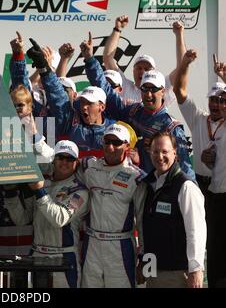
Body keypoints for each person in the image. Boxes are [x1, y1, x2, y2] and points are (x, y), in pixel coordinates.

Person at [82, 32, 195, 180]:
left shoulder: (171, 127)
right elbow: (106, 90)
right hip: (134, 182)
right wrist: (90, 60)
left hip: (160, 185)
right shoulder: (134, 111)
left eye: (153, 89)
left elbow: (185, 167)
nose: (148, 94)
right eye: (145, 89)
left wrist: (191, 191)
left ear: (163, 91)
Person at [5, 140, 89, 288]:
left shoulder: (80, 191)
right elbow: (22, 219)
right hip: (36, 254)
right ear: (54, 160)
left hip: (63, 257)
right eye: (60, 157)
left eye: (69, 159)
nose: (64, 162)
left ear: (76, 162)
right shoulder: (44, 183)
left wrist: (39, 191)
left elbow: (59, 219)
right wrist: (11, 192)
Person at [77, 124, 146, 288]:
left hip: (120, 247)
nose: (110, 147)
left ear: (127, 146)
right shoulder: (89, 167)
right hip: (91, 243)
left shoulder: (136, 177)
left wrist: (143, 257)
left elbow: (142, 220)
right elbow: (60, 162)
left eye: (116, 142)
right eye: (107, 141)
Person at [140, 132, 206, 288]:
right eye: (155, 151)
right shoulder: (148, 185)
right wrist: (144, 262)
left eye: (164, 151)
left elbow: (196, 231)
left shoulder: (185, 187)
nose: (159, 156)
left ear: (175, 153)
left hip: (177, 272)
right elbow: (147, 228)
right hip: (153, 270)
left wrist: (196, 269)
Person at [172, 49, 225, 197]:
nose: (216, 104)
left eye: (221, 101)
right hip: (199, 184)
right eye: (213, 100)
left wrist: (224, 76)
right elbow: (179, 90)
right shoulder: (198, 118)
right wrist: (185, 63)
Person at [102, 16, 186, 105]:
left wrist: (179, 34)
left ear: (154, 72)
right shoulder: (124, 86)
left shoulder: (161, 87)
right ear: (133, 70)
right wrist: (117, 29)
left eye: (147, 69)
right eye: (139, 68)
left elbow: (182, 68)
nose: (142, 71)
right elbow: (108, 59)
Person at [205, 83, 226, 288]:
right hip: (217, 196)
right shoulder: (218, 130)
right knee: (215, 254)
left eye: (224, 100)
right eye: (217, 100)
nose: (220, 105)